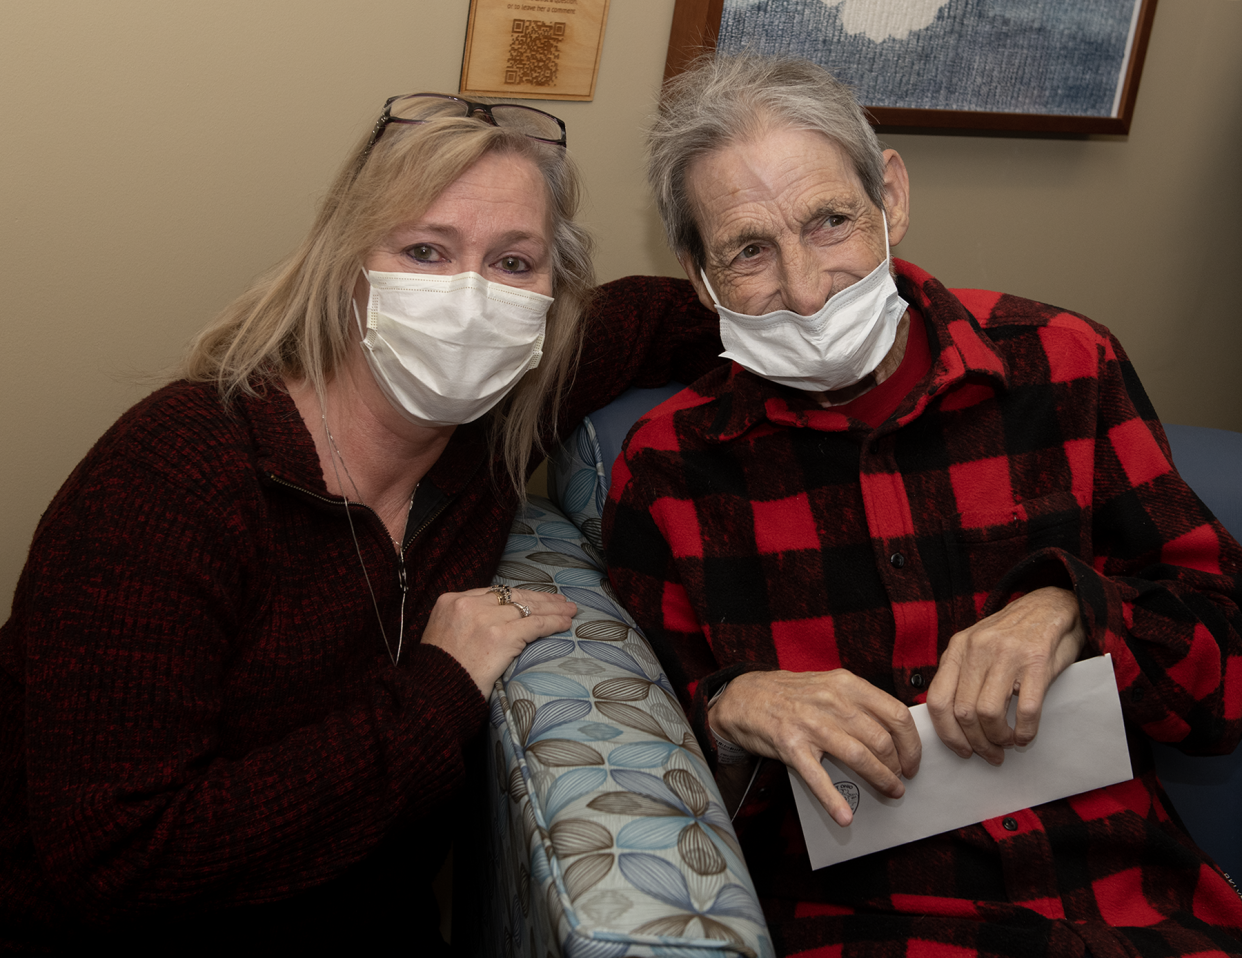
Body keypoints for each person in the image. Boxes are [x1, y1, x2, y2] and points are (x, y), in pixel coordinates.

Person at [0, 93, 722, 953]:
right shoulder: (177, 475)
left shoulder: (493, 431)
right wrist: (435, 692)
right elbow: (117, 859)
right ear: (345, 269)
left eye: (514, 263)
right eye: (425, 251)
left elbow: (687, 311)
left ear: (550, 301)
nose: (471, 298)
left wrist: (866, 310)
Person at [603, 56, 1242, 957]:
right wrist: (728, 705)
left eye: (831, 222)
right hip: (862, 920)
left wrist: (1075, 608)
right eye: (749, 249)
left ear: (891, 198)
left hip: (1122, 896)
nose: (807, 287)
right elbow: (631, 751)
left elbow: (1227, 682)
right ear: (700, 278)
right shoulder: (669, 466)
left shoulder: (1065, 364)